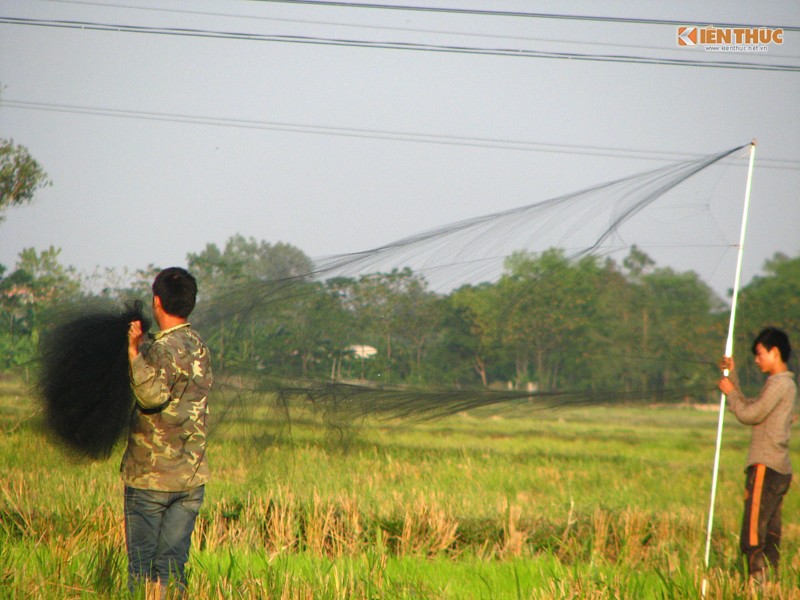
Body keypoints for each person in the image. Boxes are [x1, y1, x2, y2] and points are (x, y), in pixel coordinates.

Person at [123, 267, 212, 596]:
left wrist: (134, 353)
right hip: (190, 479)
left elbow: (151, 396)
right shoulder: (198, 345)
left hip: (152, 479)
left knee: (143, 569)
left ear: (157, 301)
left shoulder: (161, 350)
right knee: (173, 567)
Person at [718, 327, 796, 582]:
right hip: (779, 468)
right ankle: (769, 585)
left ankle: (756, 585)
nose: (757, 359)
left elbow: (750, 414)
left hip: (766, 466)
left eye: (760, 353)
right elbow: (753, 406)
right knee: (770, 534)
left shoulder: (779, 383)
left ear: (775, 352)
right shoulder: (784, 384)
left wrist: (730, 391)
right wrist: (733, 379)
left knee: (753, 536)